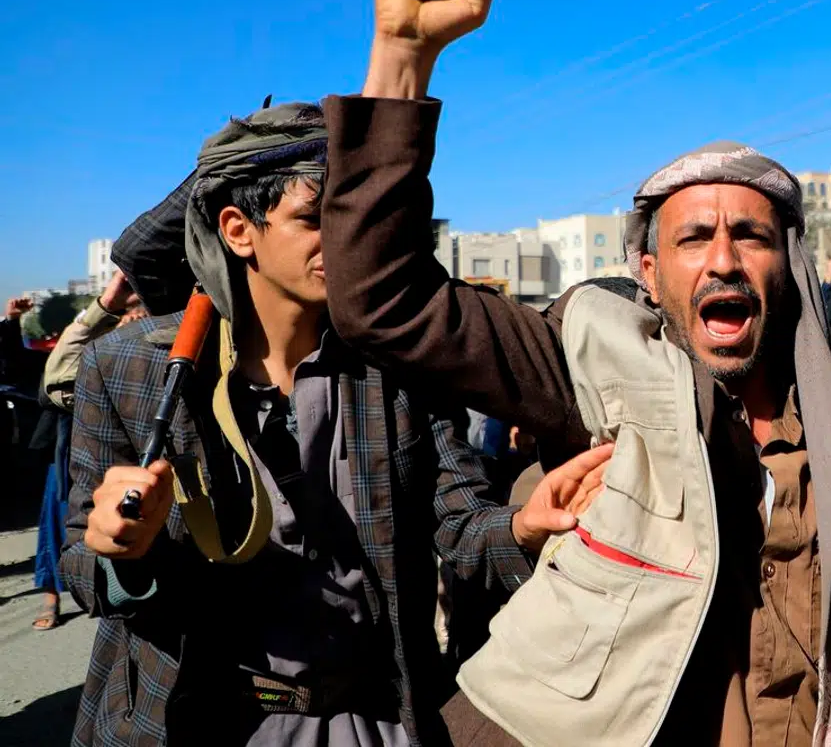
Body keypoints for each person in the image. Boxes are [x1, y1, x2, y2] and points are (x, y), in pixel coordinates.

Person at [321, 0, 831, 745]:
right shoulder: (593, 365)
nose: (723, 259)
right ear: (649, 268)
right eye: (694, 238)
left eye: (750, 236)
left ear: (791, 262)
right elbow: (382, 298)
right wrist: (402, 60)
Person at [59, 97, 609, 746]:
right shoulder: (128, 370)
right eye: (315, 218)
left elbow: (462, 527)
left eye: (351, 219)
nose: (344, 242)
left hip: (375, 716)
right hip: (200, 719)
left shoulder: (398, 366)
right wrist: (126, 552)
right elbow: (82, 567)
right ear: (240, 230)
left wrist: (525, 527)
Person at [28, 272, 140, 633]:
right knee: (60, 521)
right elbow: (56, 380)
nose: (133, 317)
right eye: (126, 309)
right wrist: (106, 308)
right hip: (78, 456)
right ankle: (52, 593)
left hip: (141, 468)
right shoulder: (99, 348)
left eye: (140, 308)